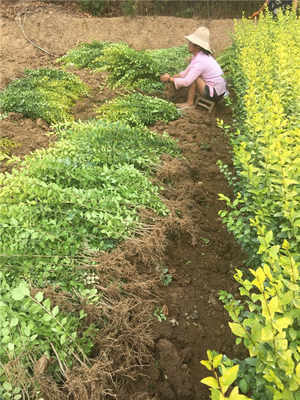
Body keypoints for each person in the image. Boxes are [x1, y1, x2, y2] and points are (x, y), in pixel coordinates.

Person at [160, 26, 227, 110]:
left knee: (194, 78)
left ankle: (189, 103)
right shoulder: (199, 57)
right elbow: (185, 73)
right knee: (194, 76)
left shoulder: (200, 61)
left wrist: (170, 79)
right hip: (219, 91)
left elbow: (187, 82)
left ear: (197, 46)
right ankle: (190, 102)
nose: (188, 45)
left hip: (215, 94)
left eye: (190, 43)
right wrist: (171, 77)